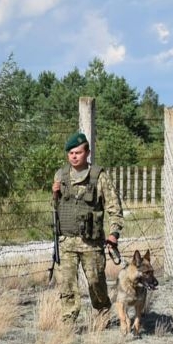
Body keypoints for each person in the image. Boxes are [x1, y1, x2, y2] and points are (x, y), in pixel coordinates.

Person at [52, 132, 124, 322]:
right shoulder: (60, 175)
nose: (74, 156)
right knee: (66, 284)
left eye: (78, 152)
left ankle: (102, 315)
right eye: (71, 153)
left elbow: (114, 207)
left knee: (95, 283)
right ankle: (68, 321)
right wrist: (55, 194)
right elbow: (57, 209)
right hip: (66, 240)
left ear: (87, 153)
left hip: (91, 243)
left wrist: (113, 233)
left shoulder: (99, 176)